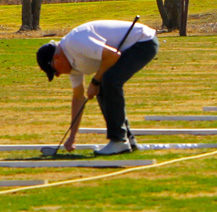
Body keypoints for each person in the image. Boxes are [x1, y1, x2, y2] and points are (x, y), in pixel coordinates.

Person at [36, 19, 159, 156]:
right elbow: (78, 98)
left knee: (109, 81)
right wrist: (72, 137)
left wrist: (94, 82)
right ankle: (127, 140)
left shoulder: (75, 43)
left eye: (55, 71)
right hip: (135, 45)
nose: (58, 75)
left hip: (143, 41)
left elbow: (113, 55)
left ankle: (118, 141)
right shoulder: (71, 65)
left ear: (57, 58)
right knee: (104, 83)